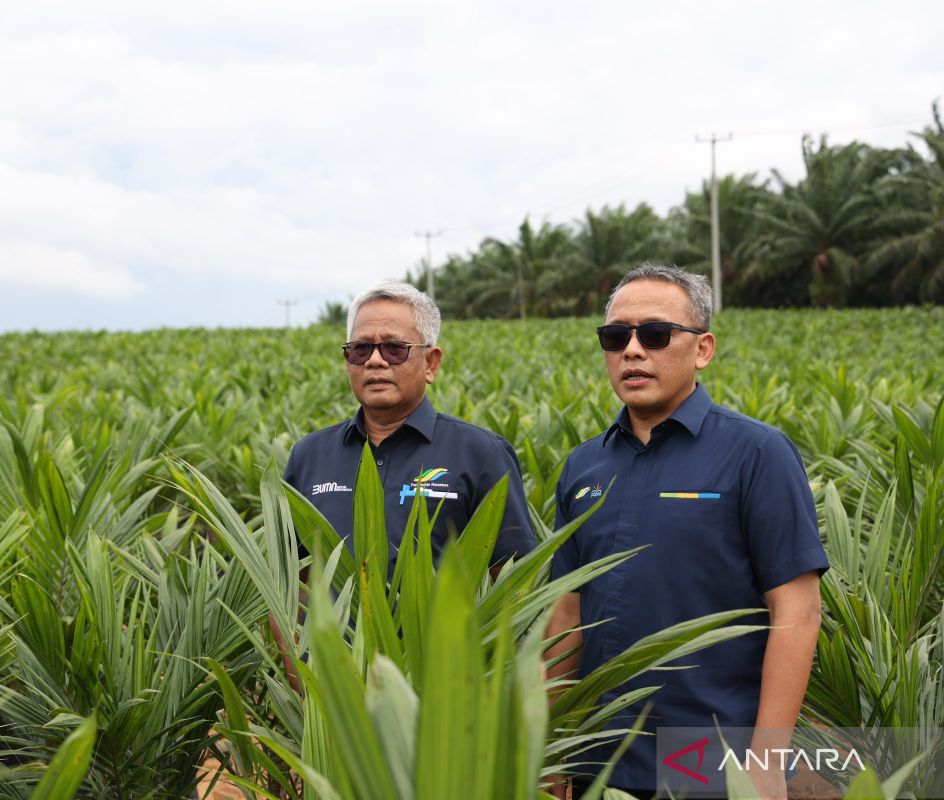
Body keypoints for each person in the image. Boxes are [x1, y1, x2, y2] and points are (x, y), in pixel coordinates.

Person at [546, 265, 828, 799]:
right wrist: (551, 748)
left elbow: (797, 611)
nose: (632, 351)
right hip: (596, 758)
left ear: (702, 349)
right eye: (615, 337)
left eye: (654, 334)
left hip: (708, 758)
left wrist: (767, 763)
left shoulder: (757, 454)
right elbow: (566, 616)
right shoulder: (581, 467)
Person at [283, 281, 537, 578]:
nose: (375, 361)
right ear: (347, 362)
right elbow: (287, 576)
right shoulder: (309, 455)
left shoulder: (481, 455)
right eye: (361, 349)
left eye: (394, 349)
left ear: (431, 363)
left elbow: (513, 582)